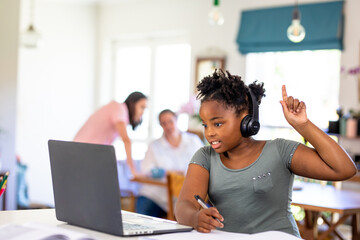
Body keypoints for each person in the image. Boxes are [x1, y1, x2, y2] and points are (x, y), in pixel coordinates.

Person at [175, 70, 357, 237]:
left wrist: (302, 125)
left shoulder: (279, 151)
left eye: (218, 124)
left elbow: (345, 169)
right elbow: (184, 205)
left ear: (247, 119)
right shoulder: (205, 157)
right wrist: (194, 217)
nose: (209, 133)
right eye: (206, 125)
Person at [136, 109, 204, 218]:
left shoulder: (193, 141)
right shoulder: (154, 146)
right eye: (164, 123)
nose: (168, 126)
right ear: (161, 126)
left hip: (184, 193)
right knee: (143, 213)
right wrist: (169, 173)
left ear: (176, 121)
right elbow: (146, 170)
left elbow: (205, 162)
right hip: (156, 194)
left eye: (170, 122)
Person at [74, 92, 147, 176]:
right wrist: (133, 171)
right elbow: (126, 140)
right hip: (82, 152)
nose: (142, 112)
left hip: (87, 153)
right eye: (142, 107)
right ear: (132, 103)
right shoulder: (118, 108)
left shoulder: (121, 113)